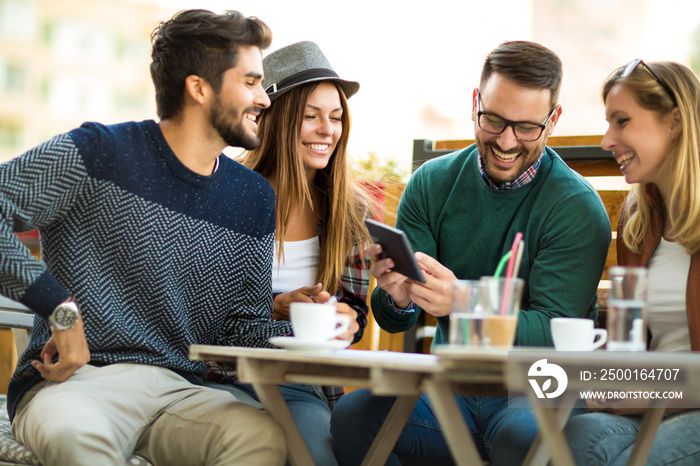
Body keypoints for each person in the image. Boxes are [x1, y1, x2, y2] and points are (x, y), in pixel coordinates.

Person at [0, 9, 292, 465]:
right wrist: (60, 309)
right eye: (251, 82)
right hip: (75, 386)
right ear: (199, 88)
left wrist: (317, 329)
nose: (265, 99)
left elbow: (242, 330)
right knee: (78, 439)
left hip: (186, 393)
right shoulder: (98, 153)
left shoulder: (253, 197)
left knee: (262, 439)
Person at [330, 40, 612, 465]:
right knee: (355, 417)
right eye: (494, 120)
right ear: (475, 102)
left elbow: (557, 330)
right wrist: (398, 297)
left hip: (537, 388)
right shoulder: (432, 183)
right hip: (449, 390)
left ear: (552, 120)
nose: (507, 141)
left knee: (525, 437)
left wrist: (465, 301)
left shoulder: (575, 206)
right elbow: (392, 315)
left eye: (526, 127)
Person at [206, 41, 374, 466]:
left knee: (334, 452)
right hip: (223, 375)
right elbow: (196, 309)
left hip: (301, 381)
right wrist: (276, 307)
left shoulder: (348, 210)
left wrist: (344, 320)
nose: (327, 130)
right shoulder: (223, 195)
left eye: (335, 118)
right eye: (310, 116)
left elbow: (354, 311)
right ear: (275, 118)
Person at [562, 60, 700, 466]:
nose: (608, 140)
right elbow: (634, 344)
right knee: (564, 441)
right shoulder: (639, 217)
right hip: (656, 406)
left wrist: (651, 391)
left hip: (684, 405)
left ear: (675, 121)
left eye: (622, 121)